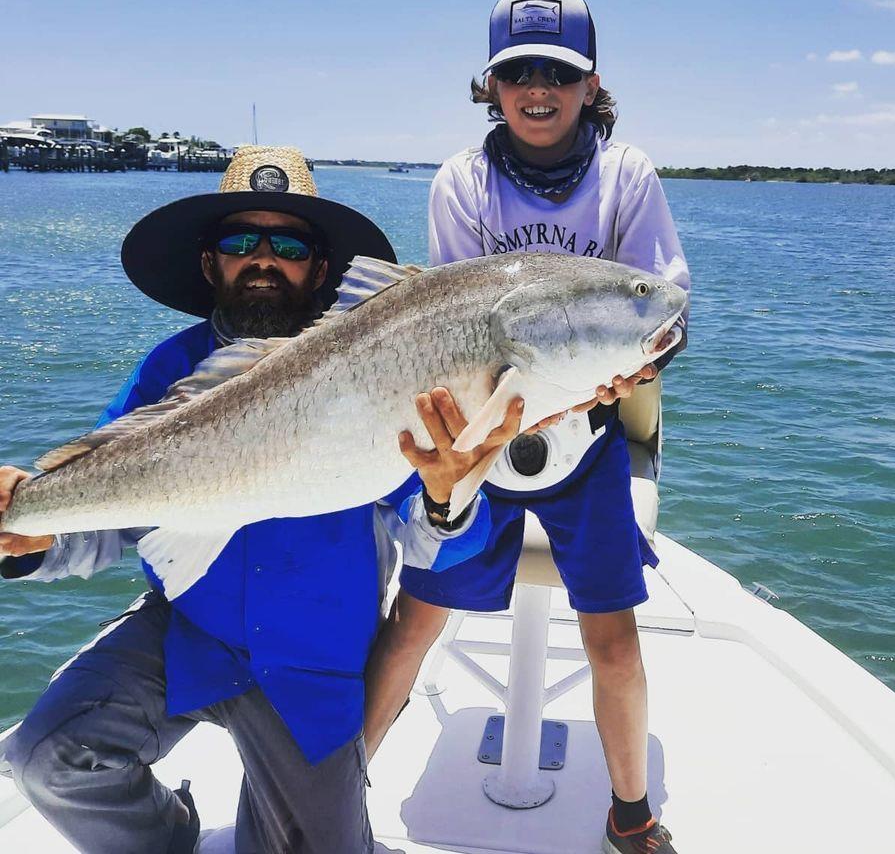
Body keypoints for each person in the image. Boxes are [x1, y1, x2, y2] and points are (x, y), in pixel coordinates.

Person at [0, 145, 522, 854]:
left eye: (290, 244)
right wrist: (33, 539)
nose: (264, 259)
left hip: (312, 660)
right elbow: (110, 516)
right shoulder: (169, 369)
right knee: (44, 758)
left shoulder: (394, 367)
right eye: (242, 241)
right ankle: (168, 834)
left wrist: (448, 493)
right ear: (212, 263)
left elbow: (441, 545)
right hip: (185, 629)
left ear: (320, 269)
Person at [369, 0, 690, 854]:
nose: (536, 88)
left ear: (591, 86)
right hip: (478, 442)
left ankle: (632, 814)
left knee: (613, 641)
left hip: (585, 444)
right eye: (517, 72)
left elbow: (665, 308)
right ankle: (335, 790)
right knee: (414, 620)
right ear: (492, 86)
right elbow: (455, 328)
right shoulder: (461, 184)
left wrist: (628, 370)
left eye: (558, 71)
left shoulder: (628, 175)